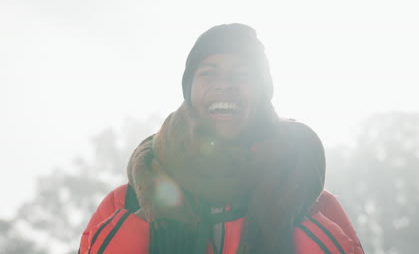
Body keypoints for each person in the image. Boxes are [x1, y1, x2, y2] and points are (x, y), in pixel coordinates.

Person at [79, 23, 364, 254]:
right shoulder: (127, 201)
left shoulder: (311, 201)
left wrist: (300, 232)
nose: (224, 84)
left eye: (242, 74)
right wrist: (140, 228)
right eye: (208, 73)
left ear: (263, 93)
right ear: (189, 91)